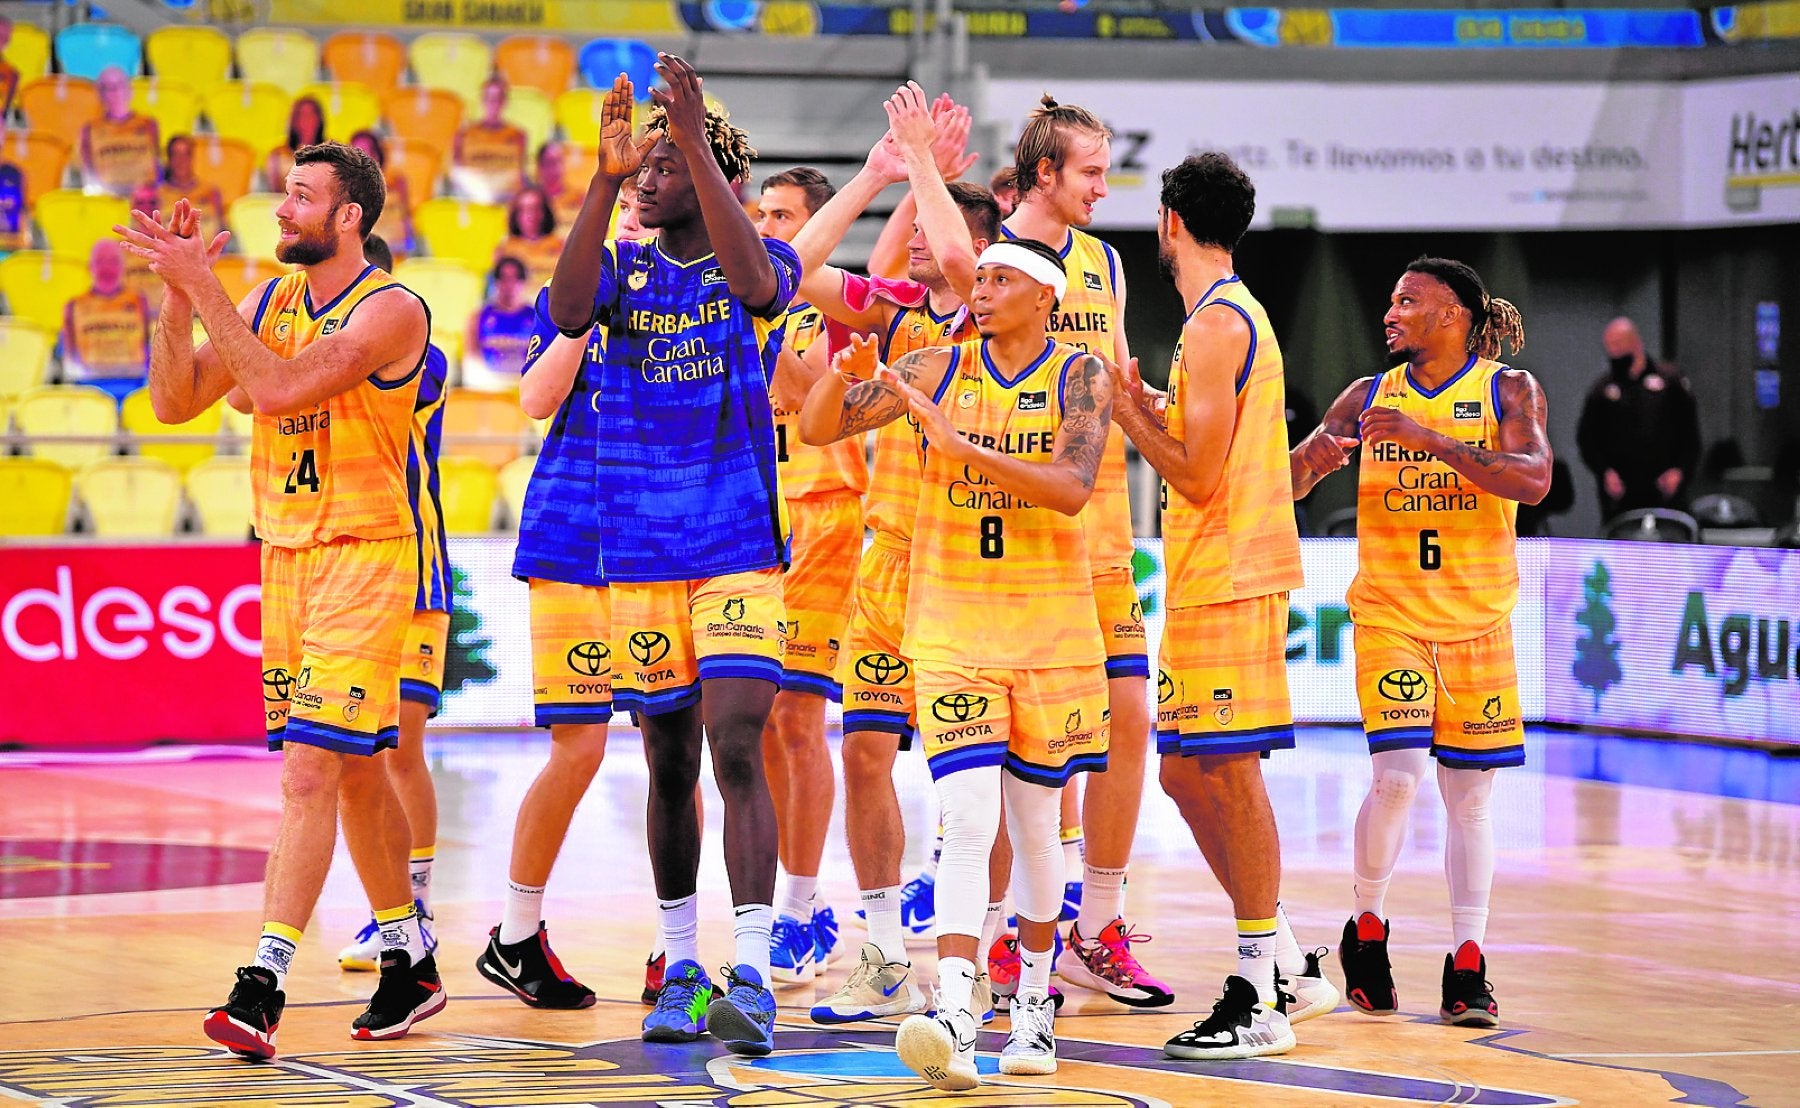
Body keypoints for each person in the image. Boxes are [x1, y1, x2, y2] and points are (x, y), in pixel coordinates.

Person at [124, 141, 438, 1056]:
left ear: (350, 217)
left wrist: (204, 285)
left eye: (301, 198)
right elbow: (174, 403)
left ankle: (260, 985)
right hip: (287, 558)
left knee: (308, 771)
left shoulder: (391, 310)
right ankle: (408, 963)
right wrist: (180, 293)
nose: (281, 211)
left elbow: (276, 387)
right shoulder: (266, 300)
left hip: (368, 555)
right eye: (283, 195)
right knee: (357, 770)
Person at [807, 237, 1113, 1090]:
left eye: (1000, 278)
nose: (979, 290)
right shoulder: (936, 365)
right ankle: (956, 1008)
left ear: (1045, 296)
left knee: (1038, 831)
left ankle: (1036, 1009)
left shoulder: (1082, 375)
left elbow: (1071, 485)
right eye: (977, 278)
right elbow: (817, 425)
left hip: (1049, 633)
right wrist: (845, 368)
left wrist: (957, 446)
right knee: (966, 822)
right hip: (949, 631)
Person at [547, 57, 795, 1058]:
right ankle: (682, 961)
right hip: (641, 544)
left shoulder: (743, 253)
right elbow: (566, 311)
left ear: (703, 172)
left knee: (736, 742)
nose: (646, 181)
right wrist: (602, 184)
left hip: (735, 535)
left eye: (660, 168)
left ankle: (756, 972)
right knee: (665, 757)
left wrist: (690, 136)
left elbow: (760, 287)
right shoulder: (621, 264)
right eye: (639, 169)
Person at [1110, 153, 1336, 1061]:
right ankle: (1280, 957)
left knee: (1229, 771)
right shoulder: (1222, 318)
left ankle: (1256, 992)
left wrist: (1121, 413)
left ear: (1170, 222)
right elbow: (1213, 431)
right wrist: (1149, 399)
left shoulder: (1217, 323)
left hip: (1233, 567)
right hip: (1220, 568)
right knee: (1183, 771)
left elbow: (1200, 472)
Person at [1290, 256, 1550, 1031]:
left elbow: (1534, 479)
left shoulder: (1509, 389)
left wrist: (1426, 439)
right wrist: (1311, 462)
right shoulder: (1368, 395)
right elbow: (1293, 479)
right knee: (1397, 778)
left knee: (1470, 800)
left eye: (1409, 301)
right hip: (1390, 615)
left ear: (1454, 315)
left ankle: (1468, 960)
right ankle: (1366, 928)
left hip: (1479, 620)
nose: (1391, 313)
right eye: (1390, 299)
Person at [791, 83, 990, 1023]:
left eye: (933, 228)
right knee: (865, 752)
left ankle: (984, 955)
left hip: (971, 577)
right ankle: (881, 955)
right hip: (885, 565)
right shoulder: (901, 315)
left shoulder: (1004, 325)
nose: (915, 239)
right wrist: (904, 172)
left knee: (976, 777)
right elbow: (805, 274)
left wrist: (918, 167)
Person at [473, 182, 669, 1013]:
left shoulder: (703, 297)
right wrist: (587, 316)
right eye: (620, 210)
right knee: (580, 749)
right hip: (573, 535)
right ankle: (516, 936)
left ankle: (677, 949)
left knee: (675, 747)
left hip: (664, 538)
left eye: (642, 209)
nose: (630, 221)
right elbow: (533, 399)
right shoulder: (573, 291)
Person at [1002, 94, 1168, 1008]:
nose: (1106, 187)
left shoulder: (1104, 262)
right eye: (1091, 172)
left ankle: (1094, 923)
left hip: (1103, 535)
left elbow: (1116, 380)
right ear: (1044, 175)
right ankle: (999, 935)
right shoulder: (993, 262)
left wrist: (1177, 443)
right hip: (1019, 545)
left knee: (1128, 717)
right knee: (1018, 754)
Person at [744, 163, 860, 986]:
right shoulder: (745, 300)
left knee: (795, 717)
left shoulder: (841, 302)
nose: (764, 227)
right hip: (753, 519)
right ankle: (791, 900)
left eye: (782, 215)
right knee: (751, 723)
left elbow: (819, 405)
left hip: (827, 514)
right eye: (760, 214)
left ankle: (802, 905)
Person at [324, 233, 449, 975]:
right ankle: (390, 911)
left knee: (401, 746)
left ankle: (417, 904)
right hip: (346, 569)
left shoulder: (416, 351)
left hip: (414, 566)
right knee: (351, 758)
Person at [1576, 317, 1701, 521]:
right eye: (1609, 346)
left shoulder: (1671, 382)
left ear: (1634, 343)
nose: (1612, 352)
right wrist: (1605, 472)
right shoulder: (1603, 389)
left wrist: (1681, 470)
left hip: (1665, 488)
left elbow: (1690, 433)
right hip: (1622, 493)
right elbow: (1587, 438)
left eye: (1617, 345)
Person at [61, 240, 152, 403]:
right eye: (101, 262)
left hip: (134, 388)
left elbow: (148, 353)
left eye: (113, 262)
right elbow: (69, 363)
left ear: (123, 267)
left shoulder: (139, 302)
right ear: (90, 267)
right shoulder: (74, 307)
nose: (107, 268)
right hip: (88, 391)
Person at [81, 66, 160, 196]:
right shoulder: (90, 130)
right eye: (108, 88)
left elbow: (156, 168)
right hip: (109, 200)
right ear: (100, 95)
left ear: (129, 91)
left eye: (119, 86)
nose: (115, 92)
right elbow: (89, 173)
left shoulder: (148, 125)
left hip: (144, 200)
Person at [462, 255, 536, 390]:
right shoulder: (478, 318)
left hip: (525, 387)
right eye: (504, 278)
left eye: (515, 278)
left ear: (524, 282)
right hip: (490, 386)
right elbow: (472, 360)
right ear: (495, 282)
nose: (510, 285)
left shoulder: (536, 318)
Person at [455, 75, 529, 203]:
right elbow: (459, 178)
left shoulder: (517, 135)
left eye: (497, 98)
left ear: (504, 101)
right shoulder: (464, 135)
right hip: (474, 201)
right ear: (482, 100)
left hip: (506, 201)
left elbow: (519, 177)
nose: (493, 103)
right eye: (489, 98)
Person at [350, 131, 416, 262]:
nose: (361, 160)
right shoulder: (346, 189)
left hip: (394, 253)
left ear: (377, 154)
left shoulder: (396, 182)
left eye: (366, 152)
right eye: (355, 154)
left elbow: (408, 232)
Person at [158, 136, 225, 244]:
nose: (181, 160)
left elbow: (221, 232)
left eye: (186, 154)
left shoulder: (210, 192)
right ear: (169, 158)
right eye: (176, 155)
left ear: (192, 157)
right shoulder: (157, 194)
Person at [497, 184, 564, 291]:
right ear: (515, 214)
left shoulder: (561, 247)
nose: (530, 215)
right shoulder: (505, 251)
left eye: (536, 208)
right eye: (523, 209)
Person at [266, 96, 325, 192]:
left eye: (311, 114)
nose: (307, 120)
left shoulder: (333, 154)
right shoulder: (278, 154)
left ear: (320, 119)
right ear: (293, 121)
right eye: (301, 115)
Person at [534, 141, 587, 231]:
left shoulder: (578, 197)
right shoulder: (533, 200)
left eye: (559, 161)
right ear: (540, 166)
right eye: (549, 162)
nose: (555, 168)